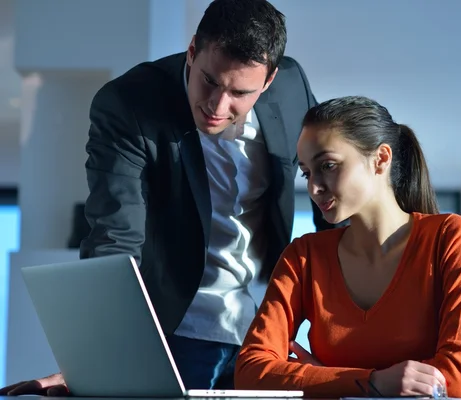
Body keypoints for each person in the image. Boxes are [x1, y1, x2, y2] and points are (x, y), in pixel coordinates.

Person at [0, 0, 335, 396]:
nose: (217, 105)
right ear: (193, 51)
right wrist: (98, 363)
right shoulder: (129, 104)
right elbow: (115, 239)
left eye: (240, 93)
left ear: (268, 81)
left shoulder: (292, 85)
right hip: (180, 330)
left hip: (270, 332)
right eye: (209, 81)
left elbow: (330, 198)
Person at [234, 96, 461, 398]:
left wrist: (324, 379)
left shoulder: (451, 237)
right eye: (306, 173)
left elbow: (455, 380)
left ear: (381, 159)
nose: (314, 188)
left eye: (327, 165)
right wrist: (372, 382)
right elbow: (251, 373)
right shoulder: (304, 256)